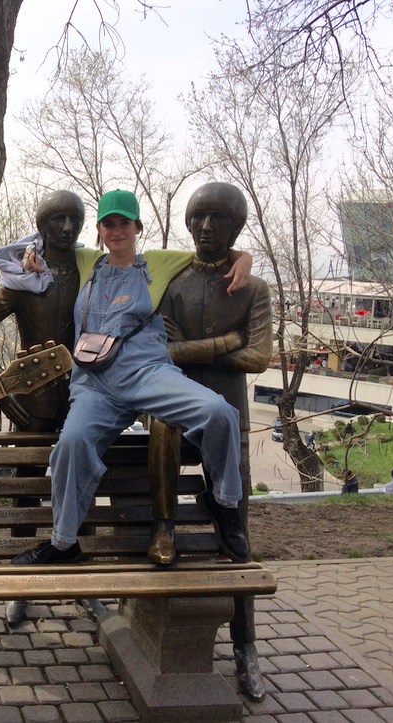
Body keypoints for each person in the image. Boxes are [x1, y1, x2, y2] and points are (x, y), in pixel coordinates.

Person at [12, 188, 253, 570]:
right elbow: (25, 247)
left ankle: (223, 504)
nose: (116, 230)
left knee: (219, 412)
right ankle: (63, 543)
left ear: (137, 226)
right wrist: (29, 254)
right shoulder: (85, 259)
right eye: (109, 223)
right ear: (99, 229)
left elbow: (213, 256)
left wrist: (244, 257)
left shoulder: (157, 262)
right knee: (71, 445)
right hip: (94, 382)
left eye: (124, 222)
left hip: (147, 373)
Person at [147, 181, 273, 701]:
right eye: (198, 217)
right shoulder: (173, 282)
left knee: (238, 544)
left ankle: (246, 646)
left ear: (235, 227)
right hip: (181, 413)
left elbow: (259, 358)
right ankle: (163, 527)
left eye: (217, 219)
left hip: (230, 422)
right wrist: (227, 342)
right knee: (160, 428)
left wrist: (206, 352)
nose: (205, 227)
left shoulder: (253, 288)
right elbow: (167, 352)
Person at [0, 189, 90, 624]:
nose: (65, 228)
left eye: (73, 220)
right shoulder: (23, 276)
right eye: (56, 219)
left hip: (84, 399)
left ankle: (85, 582)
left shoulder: (90, 271)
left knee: (82, 491)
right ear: (41, 226)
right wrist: (1, 389)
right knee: (25, 497)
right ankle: (19, 586)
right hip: (32, 406)